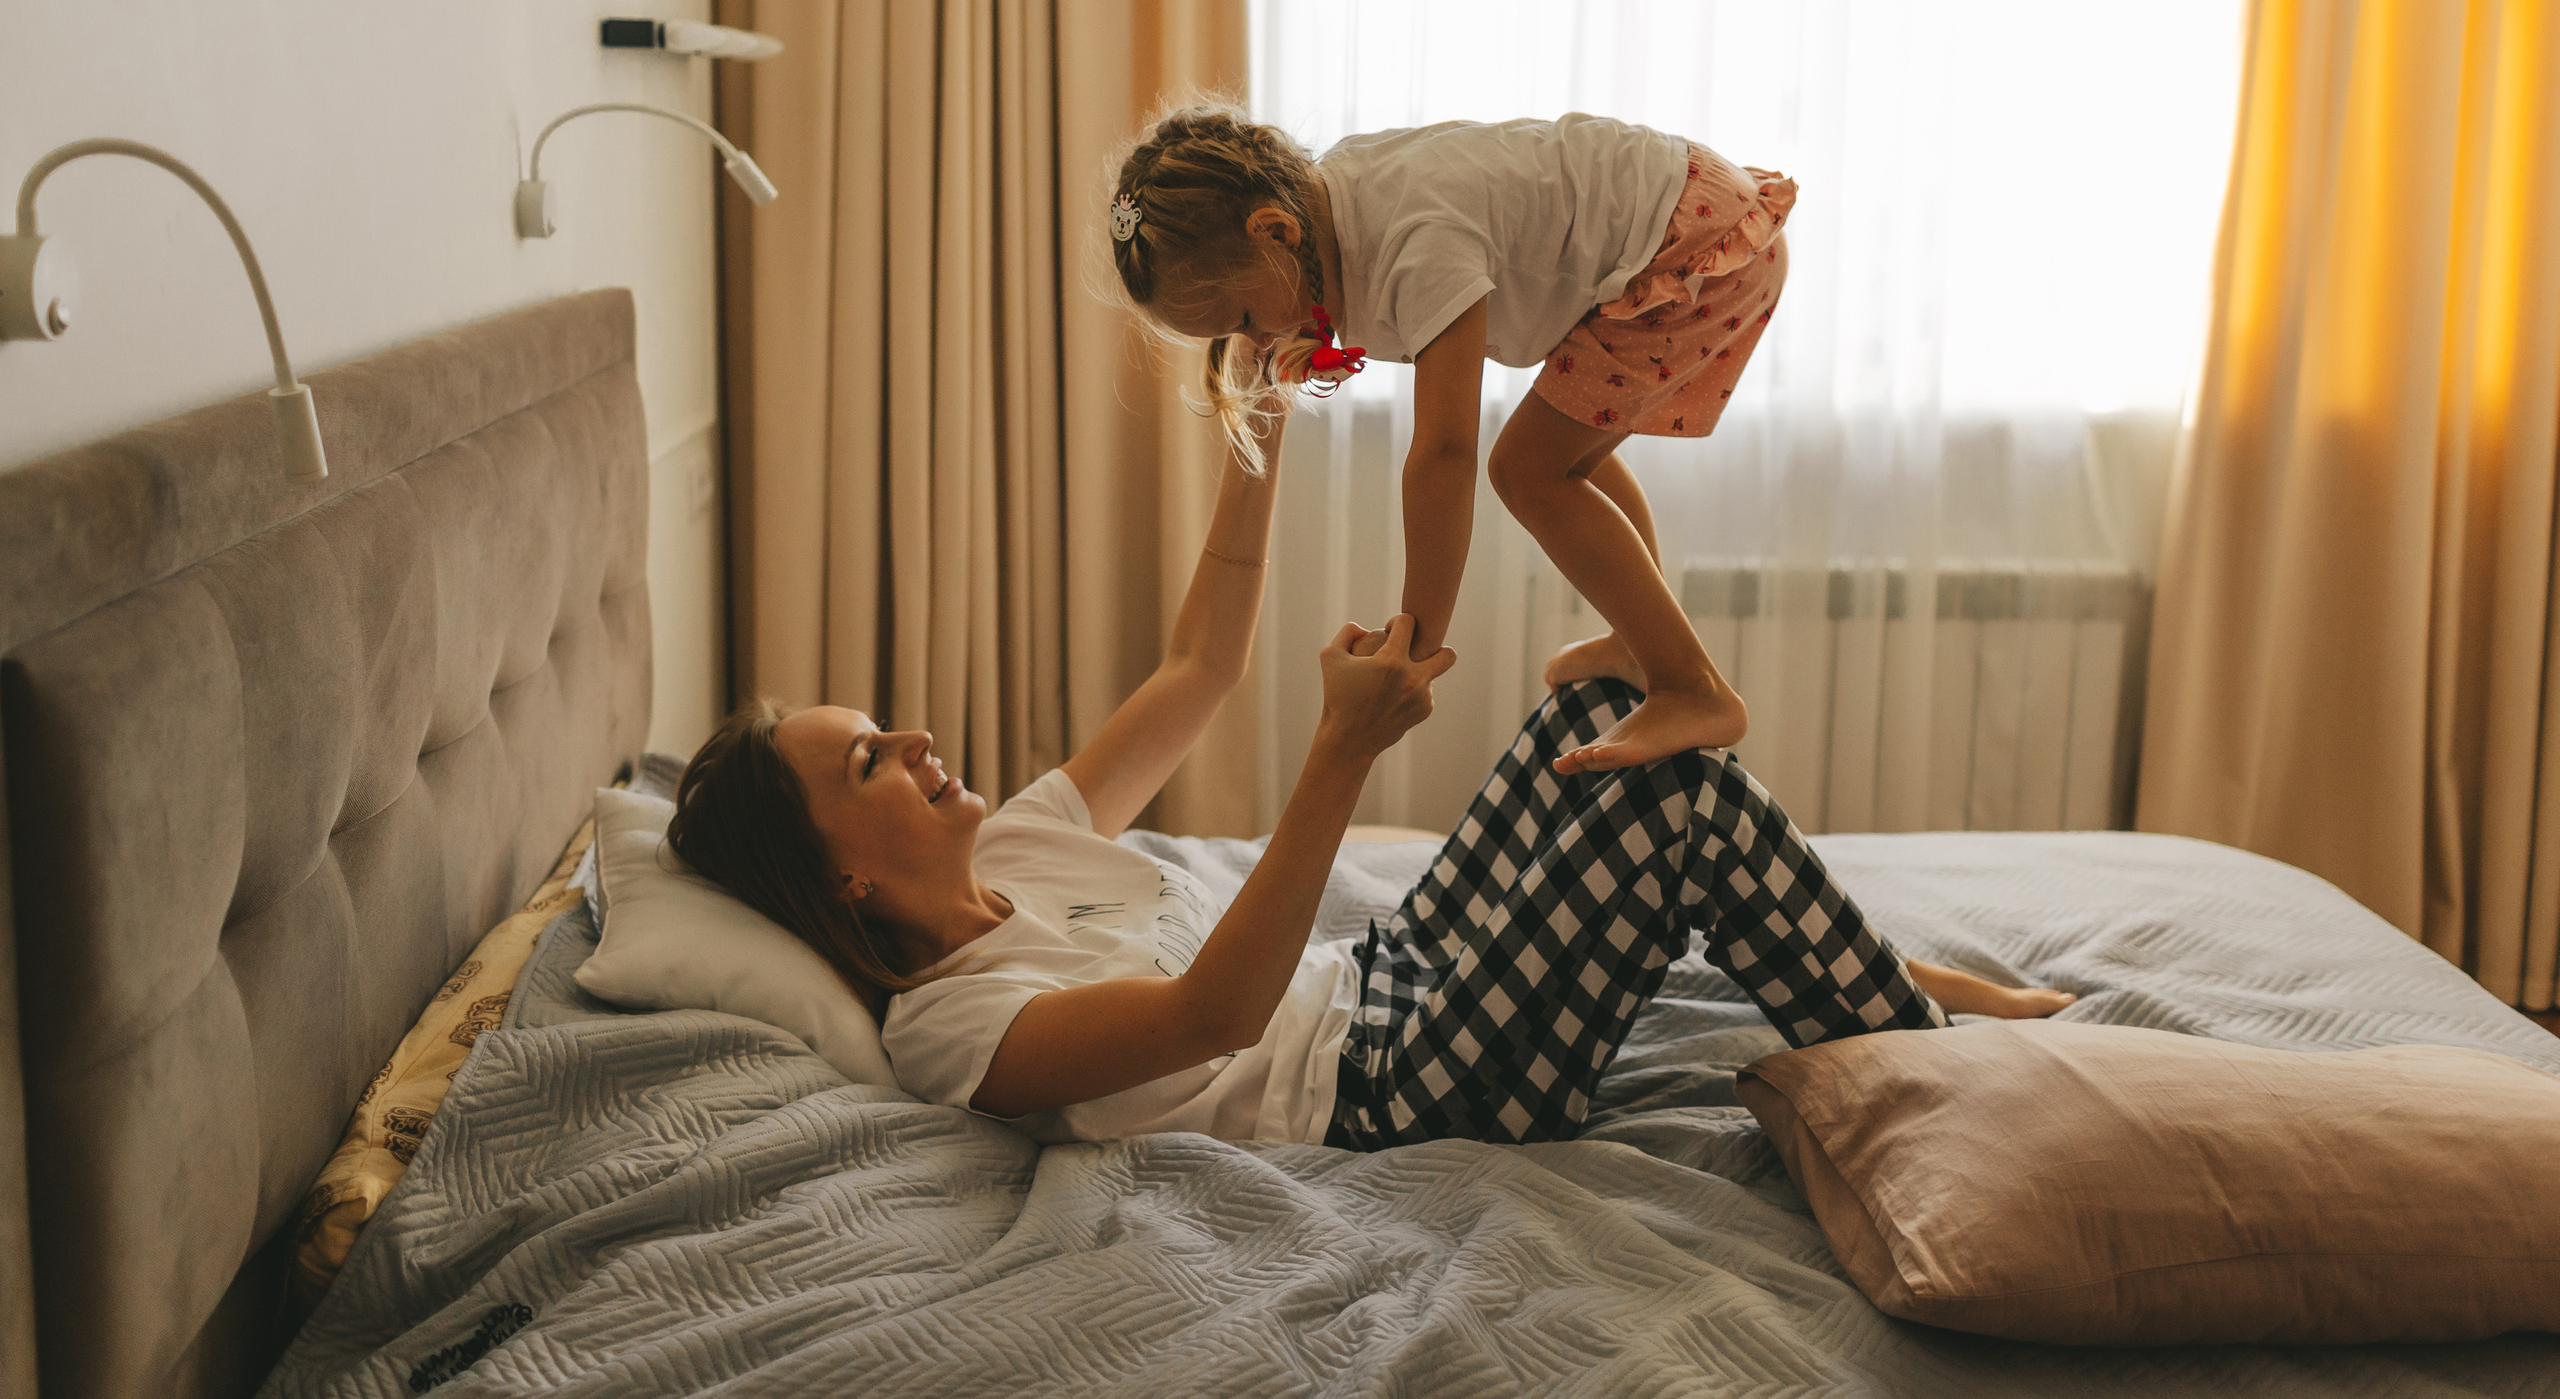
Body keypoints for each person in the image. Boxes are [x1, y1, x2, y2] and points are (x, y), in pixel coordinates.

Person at [668, 398, 2073, 1150]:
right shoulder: (952, 1031)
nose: (916, 740)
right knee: (1677, 795)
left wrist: (1258, 423)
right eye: (870, 756)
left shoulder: (1019, 844)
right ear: (842, 869)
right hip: (1402, 1084)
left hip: (1393, 970)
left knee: (1604, 706)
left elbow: (1201, 662)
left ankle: (1851, 976)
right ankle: (1918, 1041)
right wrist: (1338, 750)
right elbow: (1212, 1012)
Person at [1106, 102, 1790, 776]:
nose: (1256, 339)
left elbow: (1442, 453)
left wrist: (1416, 641)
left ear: (1276, 229)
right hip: (1692, 210)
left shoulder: (1410, 237)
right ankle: (1643, 647)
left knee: (1526, 470)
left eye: (1247, 316)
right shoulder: (1340, 208)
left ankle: (1692, 686)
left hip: (1696, 241)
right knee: (1563, 456)